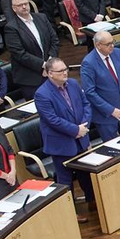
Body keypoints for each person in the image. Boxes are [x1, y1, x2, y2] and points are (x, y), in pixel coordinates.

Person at [35, 59, 93, 213]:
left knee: (86, 174)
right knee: (65, 180)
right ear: (50, 74)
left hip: (81, 138)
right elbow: (52, 120)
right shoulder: (42, 94)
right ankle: (69, 212)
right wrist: (75, 130)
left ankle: (93, 203)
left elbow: (86, 104)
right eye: (60, 71)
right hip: (61, 144)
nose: (65, 72)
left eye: (65, 69)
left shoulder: (73, 83)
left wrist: (84, 126)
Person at [80, 31, 120, 140]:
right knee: (113, 150)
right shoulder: (88, 63)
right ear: (98, 45)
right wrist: (111, 110)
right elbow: (89, 92)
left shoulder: (117, 53)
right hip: (106, 116)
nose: (112, 46)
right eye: (108, 44)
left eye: (113, 42)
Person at [3, 0, 58, 99]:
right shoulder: (11, 27)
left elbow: (54, 40)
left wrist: (50, 62)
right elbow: (19, 53)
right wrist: (43, 65)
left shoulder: (41, 18)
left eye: (26, 3)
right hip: (31, 77)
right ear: (14, 8)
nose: (24, 7)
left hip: (51, 71)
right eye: (20, 5)